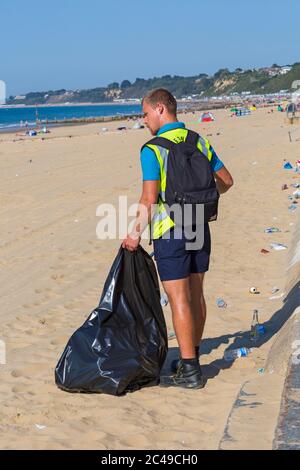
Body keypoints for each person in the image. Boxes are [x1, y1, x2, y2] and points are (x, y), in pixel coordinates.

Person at [122, 89, 233, 389]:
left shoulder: (152, 149)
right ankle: (191, 355)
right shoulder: (199, 140)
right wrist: (206, 199)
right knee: (196, 293)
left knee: (178, 299)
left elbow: (148, 199)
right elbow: (226, 181)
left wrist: (134, 236)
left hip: (170, 231)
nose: (143, 120)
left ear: (160, 109)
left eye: (145, 114)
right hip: (199, 225)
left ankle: (191, 371)